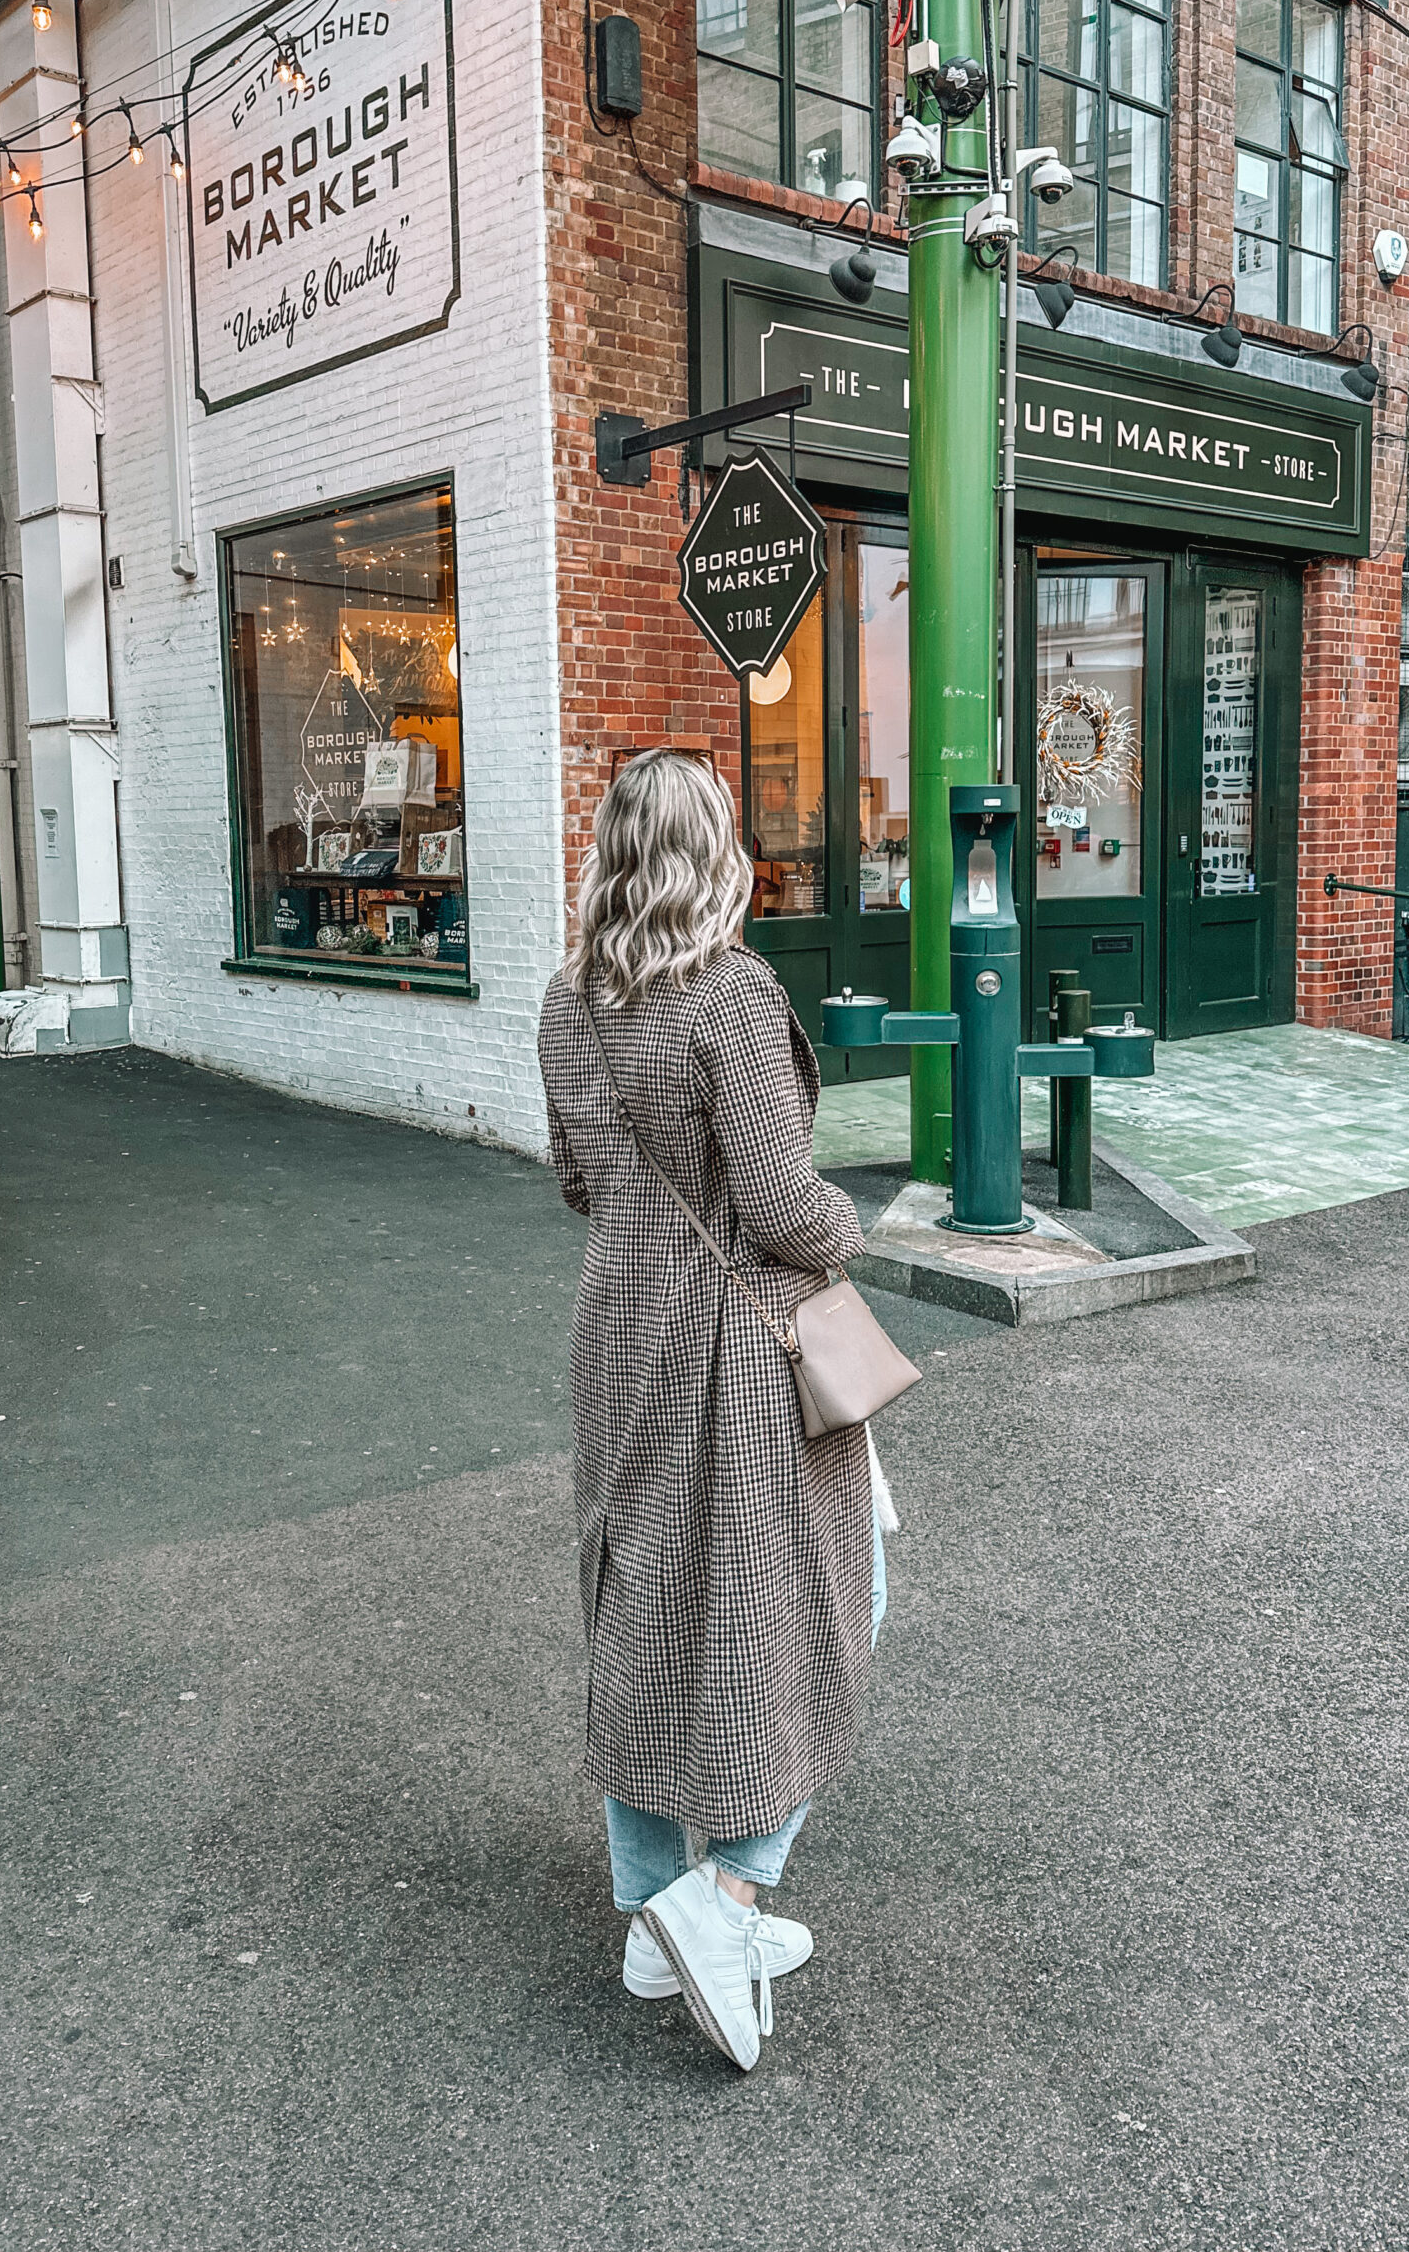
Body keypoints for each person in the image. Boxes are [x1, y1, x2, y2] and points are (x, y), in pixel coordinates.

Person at [537, 748, 886, 2074]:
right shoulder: (731, 997)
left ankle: (646, 1916)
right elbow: (786, 1203)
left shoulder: (569, 1002)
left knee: (642, 1602)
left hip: (617, 1327)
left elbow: (577, 1179)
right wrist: (852, 1231)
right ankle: (724, 1895)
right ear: (714, 851)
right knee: (818, 1589)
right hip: (736, 1337)